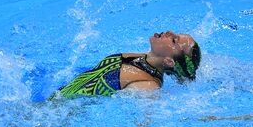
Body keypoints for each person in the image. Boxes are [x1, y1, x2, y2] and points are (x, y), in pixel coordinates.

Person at [53, 31, 201, 97]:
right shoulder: (141, 58)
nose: (169, 32)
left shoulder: (148, 85)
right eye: (177, 34)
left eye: (174, 40)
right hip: (58, 95)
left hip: (64, 113)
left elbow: (143, 124)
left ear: (169, 61)